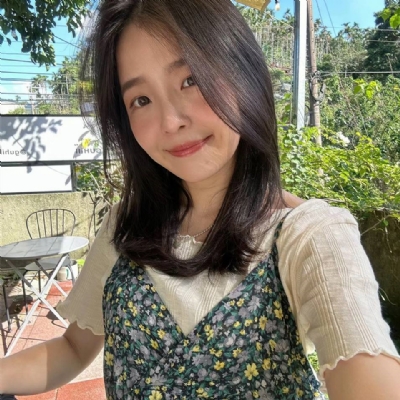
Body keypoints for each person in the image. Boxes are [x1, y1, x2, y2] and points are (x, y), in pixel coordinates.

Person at [1, 0, 400, 399]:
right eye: (141, 100)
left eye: (190, 79)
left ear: (243, 75)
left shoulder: (309, 235)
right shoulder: (125, 224)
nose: (171, 121)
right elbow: (73, 349)